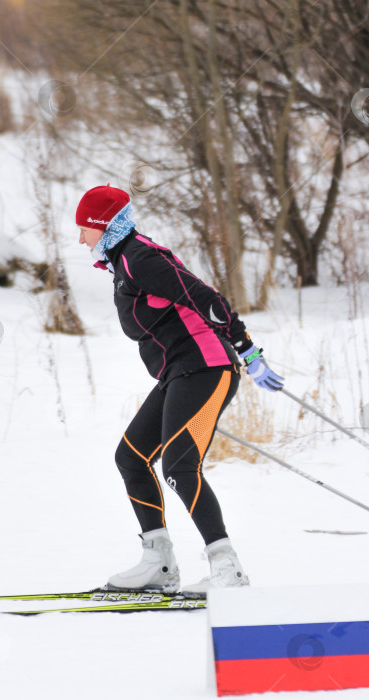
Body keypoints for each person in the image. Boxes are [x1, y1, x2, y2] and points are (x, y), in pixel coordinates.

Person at [76, 184, 284, 596]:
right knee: (131, 458)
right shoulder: (123, 262)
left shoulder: (141, 259)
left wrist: (247, 348)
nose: (80, 237)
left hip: (207, 368)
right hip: (180, 372)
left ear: (102, 225)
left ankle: (227, 569)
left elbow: (205, 297)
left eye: (84, 227)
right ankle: (159, 561)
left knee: (179, 466)